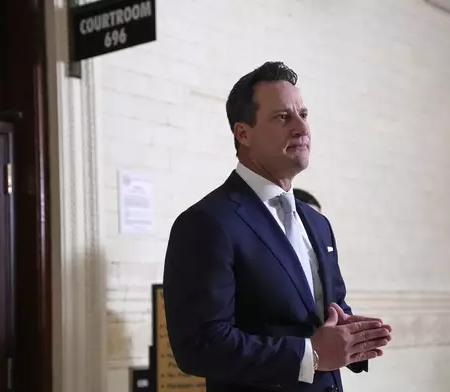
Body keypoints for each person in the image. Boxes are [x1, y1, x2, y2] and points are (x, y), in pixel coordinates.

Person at [163, 61, 392, 392]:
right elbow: (199, 345)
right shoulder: (206, 222)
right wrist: (310, 354)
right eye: (283, 117)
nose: (302, 127)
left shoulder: (317, 223)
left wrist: (351, 338)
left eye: (304, 114)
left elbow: (329, 312)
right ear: (243, 133)